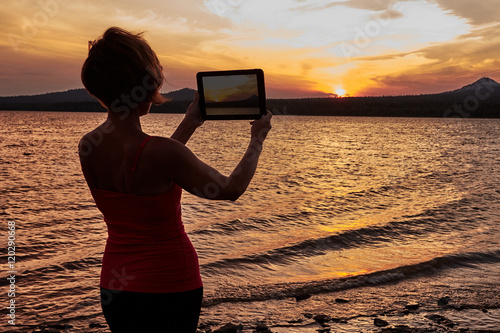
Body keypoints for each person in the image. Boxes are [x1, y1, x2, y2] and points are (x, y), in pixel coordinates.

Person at [78, 27, 272, 332]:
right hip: (169, 284)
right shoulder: (161, 152)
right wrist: (257, 139)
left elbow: (149, 165)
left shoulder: (89, 147)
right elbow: (231, 189)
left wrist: (190, 122)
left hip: (115, 287)